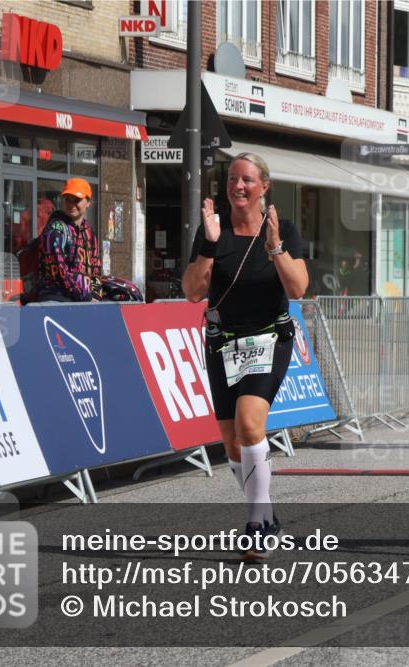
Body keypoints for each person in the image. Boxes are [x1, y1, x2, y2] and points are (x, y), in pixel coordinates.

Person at [182, 152, 308, 561]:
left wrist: (275, 249)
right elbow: (193, 291)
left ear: (264, 187)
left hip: (269, 337)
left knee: (250, 424)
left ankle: (256, 524)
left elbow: (298, 289)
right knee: (232, 443)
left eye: (248, 180)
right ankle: (268, 515)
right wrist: (209, 245)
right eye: (233, 179)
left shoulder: (282, 229)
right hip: (222, 342)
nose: (238, 186)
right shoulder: (212, 230)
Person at [36, 178, 101, 302]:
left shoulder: (89, 232)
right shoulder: (55, 229)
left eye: (77, 200)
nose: (72, 205)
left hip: (82, 299)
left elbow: (95, 267)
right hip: (56, 298)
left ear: (88, 202)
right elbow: (58, 271)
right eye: (68, 200)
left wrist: (96, 296)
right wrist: (84, 297)